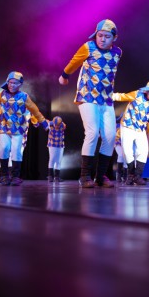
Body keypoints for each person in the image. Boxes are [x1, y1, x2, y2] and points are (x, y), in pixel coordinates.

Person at [59, 19, 122, 188]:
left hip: (106, 99)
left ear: (114, 38)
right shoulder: (88, 47)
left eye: (107, 36)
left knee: (110, 136)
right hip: (87, 95)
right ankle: (85, 176)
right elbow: (75, 61)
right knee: (93, 132)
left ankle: (100, 176)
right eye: (99, 35)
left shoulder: (117, 52)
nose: (102, 39)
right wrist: (65, 75)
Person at [0, 71, 49, 186]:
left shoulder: (24, 97)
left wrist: (43, 123)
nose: (12, 85)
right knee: (4, 148)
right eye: (10, 82)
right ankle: (4, 175)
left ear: (20, 84)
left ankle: (15, 176)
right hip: (4, 126)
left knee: (16, 150)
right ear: (7, 82)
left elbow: (35, 110)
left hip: (18, 128)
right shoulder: (2, 94)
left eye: (15, 83)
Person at [113, 80, 149, 185]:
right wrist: (109, 96)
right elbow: (122, 96)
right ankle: (130, 175)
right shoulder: (137, 94)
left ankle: (138, 176)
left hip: (140, 129)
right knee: (127, 152)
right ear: (147, 91)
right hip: (127, 126)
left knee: (143, 151)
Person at [47, 116, 66, 183]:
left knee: (59, 161)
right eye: (56, 125)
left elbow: (64, 126)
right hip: (52, 144)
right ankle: (50, 176)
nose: (57, 126)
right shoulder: (50, 124)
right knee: (52, 159)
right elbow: (45, 124)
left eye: (58, 125)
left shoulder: (63, 125)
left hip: (60, 145)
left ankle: (57, 177)